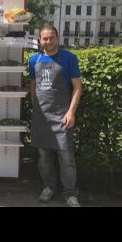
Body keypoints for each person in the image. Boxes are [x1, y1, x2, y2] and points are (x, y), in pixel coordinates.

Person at [29, 25, 83, 207]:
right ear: (40, 40)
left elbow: (77, 87)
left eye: (51, 38)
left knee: (66, 158)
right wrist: (35, 107)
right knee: (44, 156)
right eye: (45, 38)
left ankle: (70, 194)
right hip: (41, 117)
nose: (48, 41)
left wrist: (71, 112)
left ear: (57, 38)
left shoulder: (69, 58)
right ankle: (49, 187)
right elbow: (33, 86)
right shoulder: (33, 60)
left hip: (62, 117)